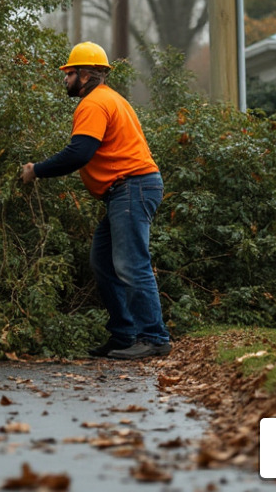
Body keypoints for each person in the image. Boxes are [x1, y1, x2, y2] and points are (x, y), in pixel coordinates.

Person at [19, 42, 170, 360]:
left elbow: (79, 153)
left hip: (131, 187)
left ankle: (154, 338)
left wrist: (36, 170)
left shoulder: (93, 104)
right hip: (129, 189)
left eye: (69, 73)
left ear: (85, 76)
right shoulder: (110, 98)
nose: (65, 79)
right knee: (103, 262)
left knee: (132, 264)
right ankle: (124, 336)